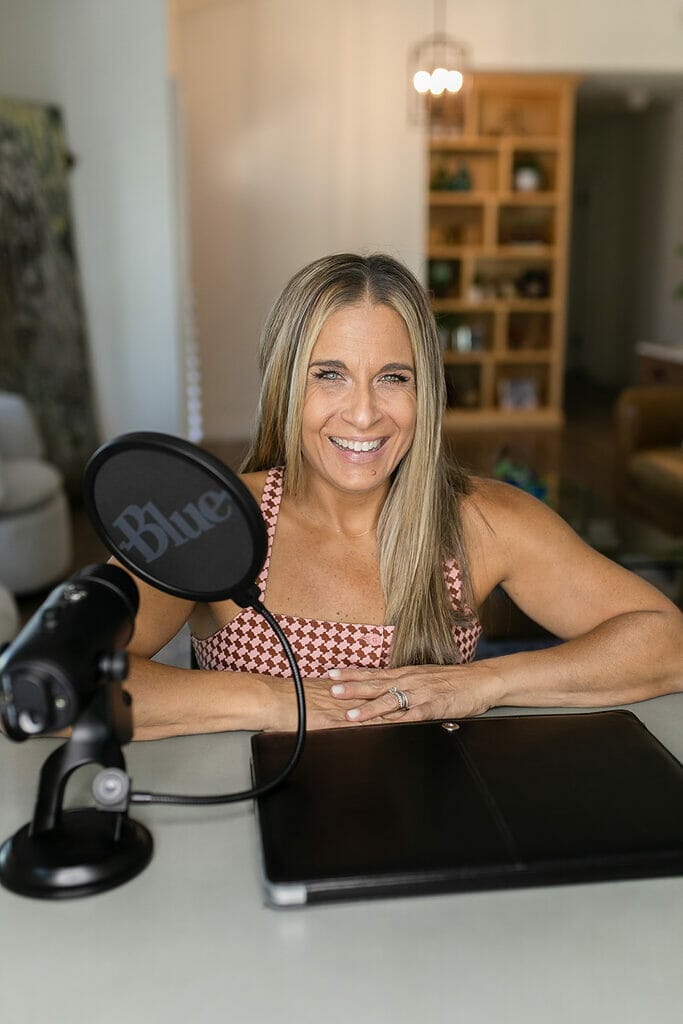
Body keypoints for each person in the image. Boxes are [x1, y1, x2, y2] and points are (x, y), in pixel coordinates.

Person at [120, 253, 683, 740]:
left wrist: (484, 682)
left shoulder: (478, 520)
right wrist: (277, 701)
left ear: (426, 391)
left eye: (394, 377)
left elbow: (667, 639)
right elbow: (75, 676)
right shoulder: (209, 516)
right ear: (285, 385)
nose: (364, 414)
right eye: (329, 375)